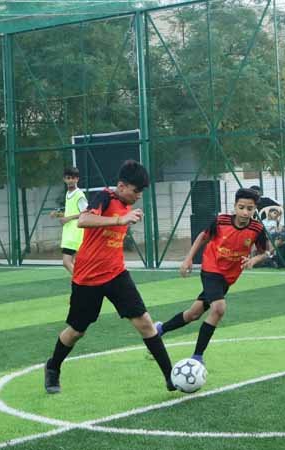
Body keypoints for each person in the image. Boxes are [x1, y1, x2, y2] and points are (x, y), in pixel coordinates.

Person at [43, 160, 175, 394]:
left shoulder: (127, 205)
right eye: (136, 191)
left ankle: (170, 376)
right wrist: (119, 219)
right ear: (122, 186)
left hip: (116, 274)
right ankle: (53, 366)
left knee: (144, 322)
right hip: (87, 279)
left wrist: (127, 216)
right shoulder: (103, 197)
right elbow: (83, 220)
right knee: (76, 331)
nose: (138, 196)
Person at [154, 188, 270, 365]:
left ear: (255, 209)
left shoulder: (257, 228)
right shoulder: (221, 221)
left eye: (250, 208)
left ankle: (160, 329)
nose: (245, 212)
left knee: (193, 314)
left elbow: (265, 252)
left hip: (228, 277)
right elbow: (203, 236)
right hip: (211, 268)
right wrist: (189, 258)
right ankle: (197, 357)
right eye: (241, 207)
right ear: (235, 206)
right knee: (219, 308)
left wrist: (254, 260)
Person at [51, 167, 88, 275]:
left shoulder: (79, 195)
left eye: (73, 178)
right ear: (64, 179)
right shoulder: (68, 193)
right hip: (69, 233)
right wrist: (58, 215)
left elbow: (86, 213)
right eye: (68, 178)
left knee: (66, 262)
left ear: (77, 179)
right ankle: (83, 282)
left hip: (75, 233)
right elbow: (70, 212)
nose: (71, 180)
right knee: (73, 262)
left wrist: (68, 218)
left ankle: (80, 282)